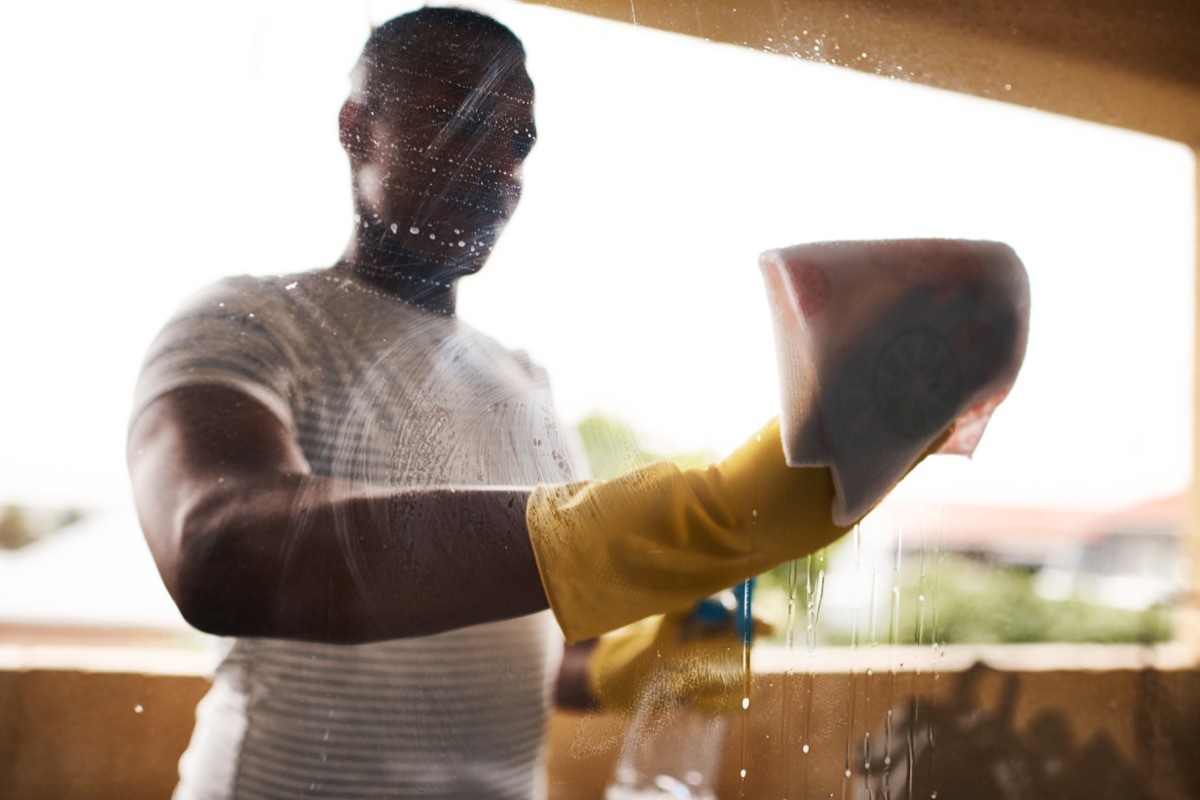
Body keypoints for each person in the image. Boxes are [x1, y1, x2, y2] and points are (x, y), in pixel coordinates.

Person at [127, 7, 896, 799]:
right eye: (460, 123)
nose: (497, 164)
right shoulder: (251, 319)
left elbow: (531, 646)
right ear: (358, 128)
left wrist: (636, 661)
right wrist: (680, 521)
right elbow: (217, 551)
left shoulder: (523, 384)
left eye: (517, 141)